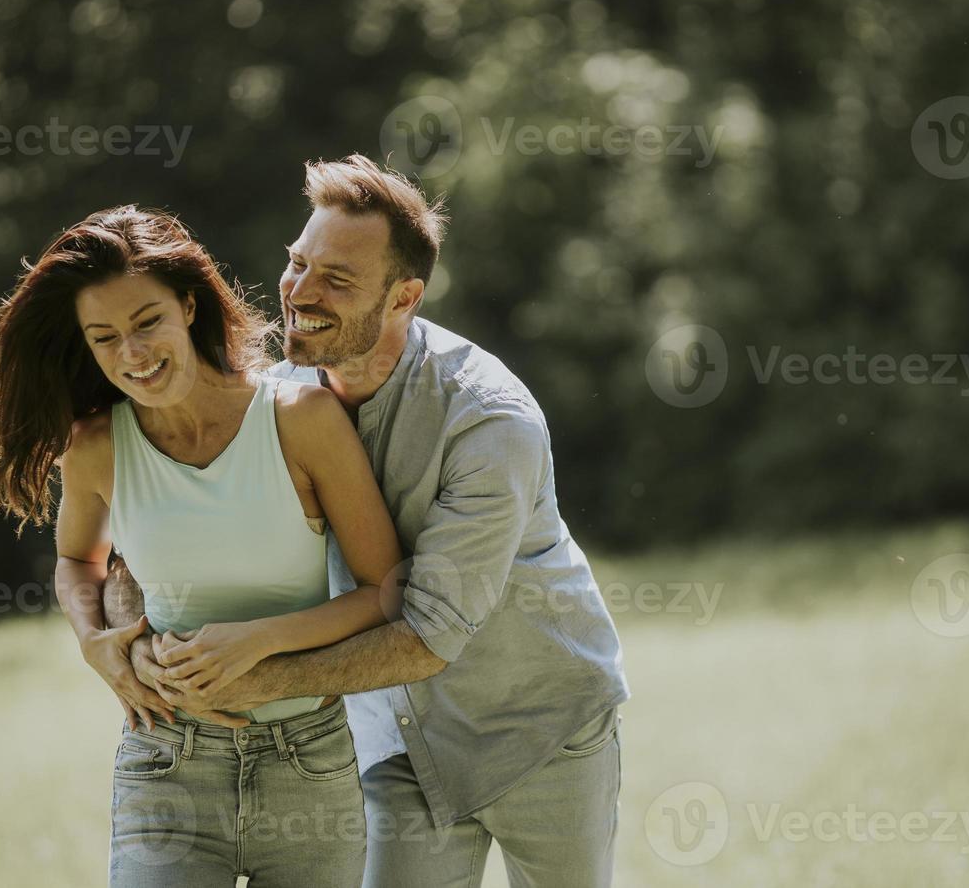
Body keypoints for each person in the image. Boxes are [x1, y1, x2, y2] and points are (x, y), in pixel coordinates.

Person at [106, 155, 631, 887]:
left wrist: (259, 681)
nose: (299, 292)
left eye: (337, 279)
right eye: (298, 263)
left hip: (541, 732)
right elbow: (143, 535)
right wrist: (123, 644)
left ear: (403, 298)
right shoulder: (276, 400)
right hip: (399, 745)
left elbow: (427, 634)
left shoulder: (489, 422)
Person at [0, 205, 404, 887]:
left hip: (309, 764)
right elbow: (76, 562)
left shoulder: (301, 420)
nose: (133, 354)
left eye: (147, 323)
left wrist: (258, 640)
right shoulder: (96, 447)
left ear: (190, 306)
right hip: (166, 758)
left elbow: (386, 590)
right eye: (105, 337)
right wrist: (95, 642)